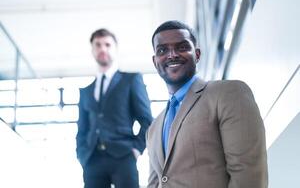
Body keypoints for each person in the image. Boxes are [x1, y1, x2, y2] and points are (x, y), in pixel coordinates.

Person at [146, 20, 268, 188]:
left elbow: (248, 174)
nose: (172, 54)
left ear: (197, 54)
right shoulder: (154, 127)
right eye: (162, 50)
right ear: (155, 61)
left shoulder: (227, 93)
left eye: (181, 47)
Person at [76, 28, 152, 188]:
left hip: (123, 156)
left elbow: (147, 121)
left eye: (107, 44)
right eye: (98, 45)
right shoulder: (86, 91)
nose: (102, 48)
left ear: (115, 49)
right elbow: (82, 128)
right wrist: (82, 154)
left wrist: (137, 149)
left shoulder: (131, 80)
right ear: (92, 50)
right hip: (92, 159)